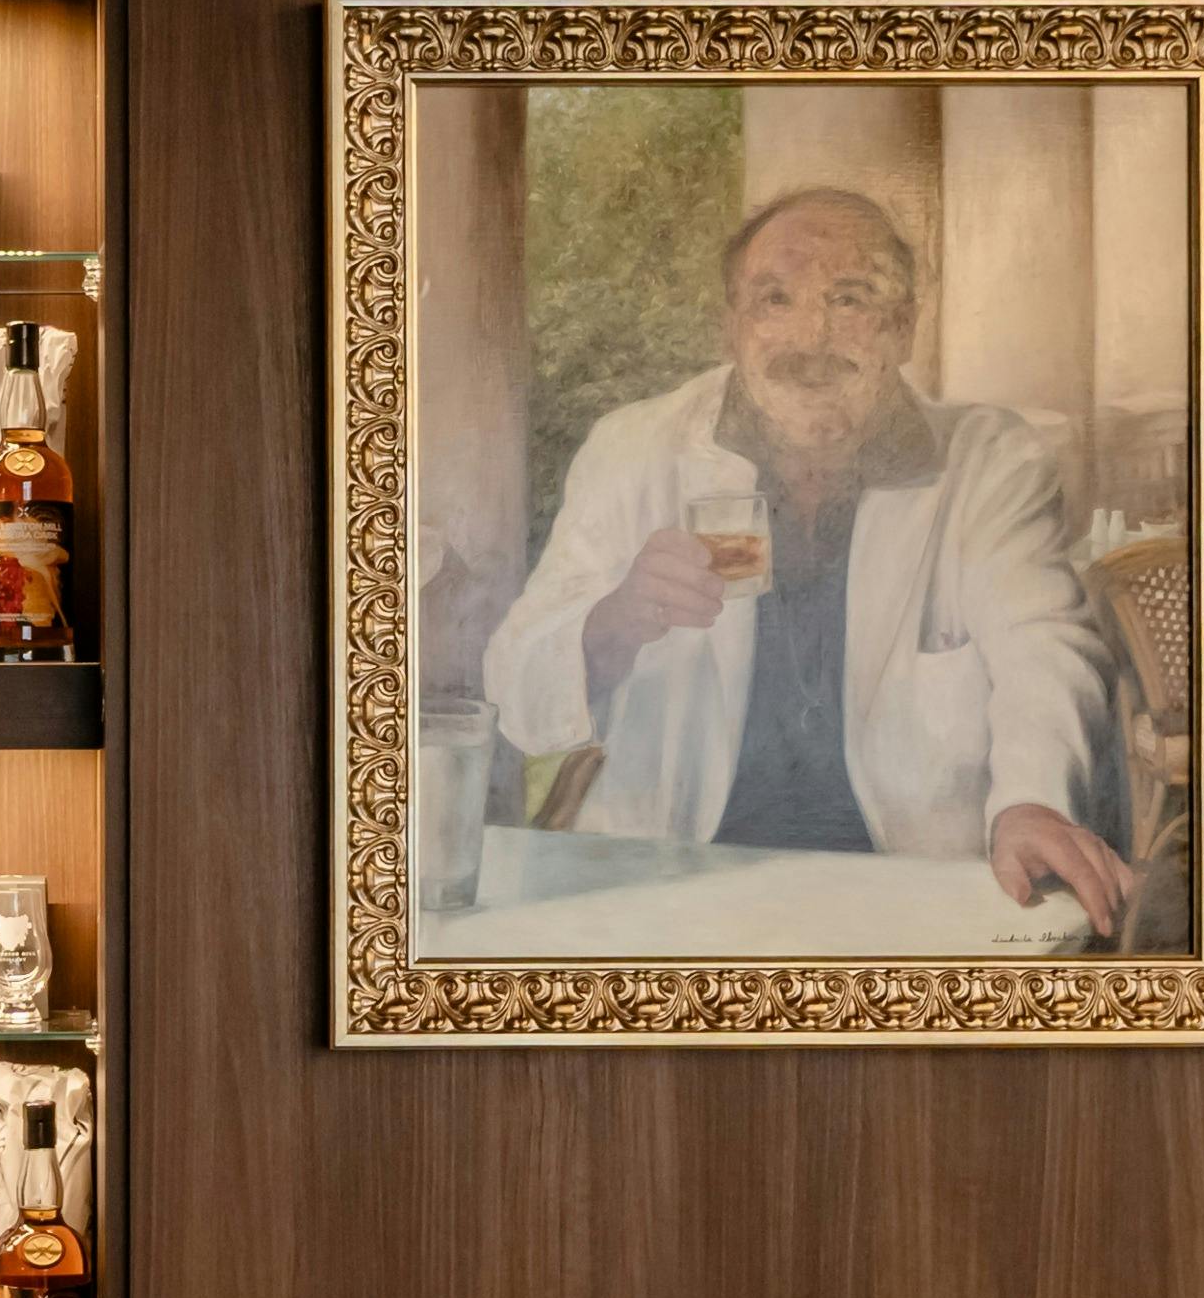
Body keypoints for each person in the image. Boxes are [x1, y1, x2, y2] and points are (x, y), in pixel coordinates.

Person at [479, 185, 1141, 930]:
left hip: (906, 884)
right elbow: (513, 687)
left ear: (904, 328)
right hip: (666, 872)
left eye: (851, 299)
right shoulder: (636, 449)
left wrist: (1032, 801)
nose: (812, 338)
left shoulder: (988, 459)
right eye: (775, 300)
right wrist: (614, 621)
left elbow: (1045, 648)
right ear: (731, 327)